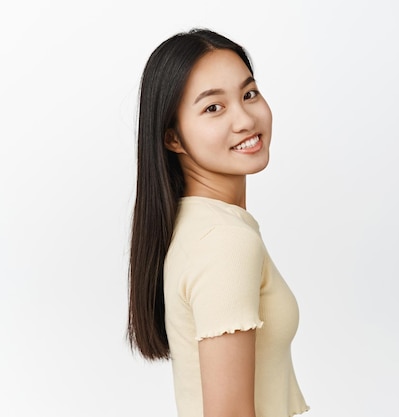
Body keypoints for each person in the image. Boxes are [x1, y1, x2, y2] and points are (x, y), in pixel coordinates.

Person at [127, 28, 309, 417]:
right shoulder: (224, 240)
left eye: (249, 94)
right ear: (173, 137)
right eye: (213, 107)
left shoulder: (199, 226)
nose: (245, 119)